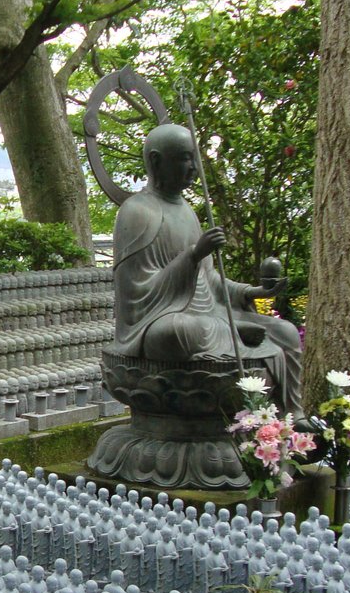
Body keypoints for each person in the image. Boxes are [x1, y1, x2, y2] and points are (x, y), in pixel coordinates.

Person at [111, 123, 300, 414]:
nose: (194, 168)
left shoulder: (187, 211)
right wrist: (194, 254)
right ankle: (234, 332)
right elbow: (137, 294)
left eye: (195, 158)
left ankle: (292, 414)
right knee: (179, 333)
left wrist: (253, 291)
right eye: (185, 158)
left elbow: (209, 280)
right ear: (156, 161)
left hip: (209, 315)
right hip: (159, 320)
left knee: (286, 331)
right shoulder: (136, 211)